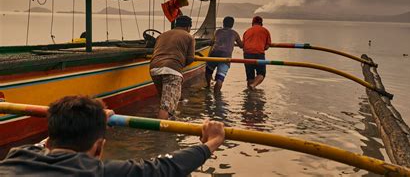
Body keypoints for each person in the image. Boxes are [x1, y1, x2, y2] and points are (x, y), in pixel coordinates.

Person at [0, 95, 225, 176]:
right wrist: (212, 142)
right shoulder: (98, 171)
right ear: (99, 148)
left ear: (48, 140)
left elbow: (43, 144)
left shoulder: (16, 156)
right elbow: (165, 168)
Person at [149, 15, 195, 119]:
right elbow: (190, 59)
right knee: (166, 107)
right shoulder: (189, 37)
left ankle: (166, 123)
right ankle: (162, 133)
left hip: (154, 69)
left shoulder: (162, 35)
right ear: (188, 27)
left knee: (163, 101)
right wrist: (180, 64)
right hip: (172, 70)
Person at [205, 16, 243, 92]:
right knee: (220, 78)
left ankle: (208, 86)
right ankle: (216, 95)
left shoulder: (218, 31)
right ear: (232, 25)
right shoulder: (234, 33)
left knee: (208, 71)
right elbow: (241, 45)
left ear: (223, 23)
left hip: (214, 53)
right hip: (226, 56)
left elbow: (212, 42)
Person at [242, 16, 271, 89]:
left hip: (247, 54)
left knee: (250, 76)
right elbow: (267, 46)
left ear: (252, 23)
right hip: (259, 54)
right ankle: (253, 85)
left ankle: (249, 94)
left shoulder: (247, 31)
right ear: (261, 23)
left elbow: (243, 44)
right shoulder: (265, 31)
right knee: (261, 74)